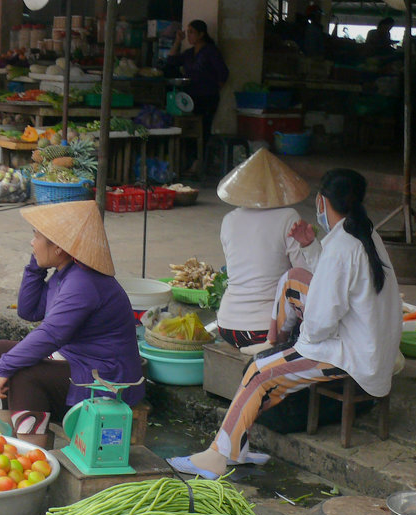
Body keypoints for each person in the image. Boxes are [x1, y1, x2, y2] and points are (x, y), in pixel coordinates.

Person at [169, 169, 401, 479]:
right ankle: (237, 445)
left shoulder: (343, 248)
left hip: (351, 354)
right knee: (292, 279)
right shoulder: (362, 234)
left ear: (321, 201)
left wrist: (298, 345)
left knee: (258, 371)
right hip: (365, 342)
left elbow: (320, 323)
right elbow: (333, 285)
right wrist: (309, 247)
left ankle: (217, 456)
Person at [0, 200, 144, 445]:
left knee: (26, 374)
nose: (31, 242)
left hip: (105, 381)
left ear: (58, 247)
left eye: (36, 236)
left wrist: (3, 369)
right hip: (79, 363)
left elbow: (50, 335)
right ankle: (2, 438)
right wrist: (35, 267)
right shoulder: (64, 274)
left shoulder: (83, 282)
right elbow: (30, 310)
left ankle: (31, 454)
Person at [215, 148, 321, 349]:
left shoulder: (228, 220)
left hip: (227, 326)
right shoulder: (288, 217)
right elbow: (303, 275)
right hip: (263, 330)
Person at [166, 20, 228, 173]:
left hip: (207, 98)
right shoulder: (189, 53)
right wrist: (178, 41)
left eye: (192, 32)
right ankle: (190, 162)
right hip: (190, 98)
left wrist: (214, 88)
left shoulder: (210, 51)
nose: (189, 35)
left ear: (202, 34)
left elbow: (223, 73)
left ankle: (199, 162)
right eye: (188, 32)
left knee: (204, 129)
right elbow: (171, 61)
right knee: (188, 129)